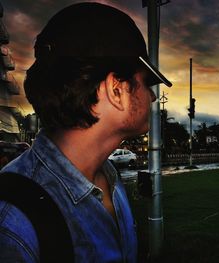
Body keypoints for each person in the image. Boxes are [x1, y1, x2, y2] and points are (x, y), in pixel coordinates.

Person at [0, 2, 171, 263]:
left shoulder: (109, 176)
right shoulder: (12, 222)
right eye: (146, 82)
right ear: (116, 90)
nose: (152, 96)